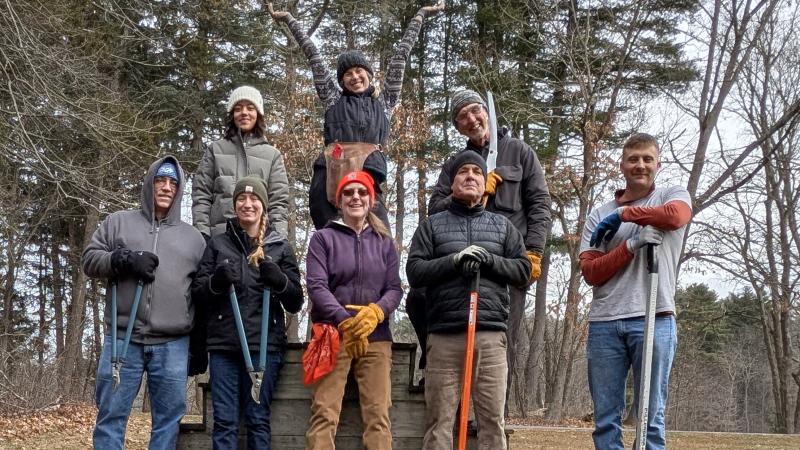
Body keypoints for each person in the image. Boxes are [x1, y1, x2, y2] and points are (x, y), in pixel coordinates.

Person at [423, 89, 551, 407]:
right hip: (459, 269)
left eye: (474, 111)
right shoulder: (456, 163)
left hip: (506, 268)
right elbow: (434, 207)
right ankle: (443, 386)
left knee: (500, 344)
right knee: (422, 303)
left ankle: (493, 420)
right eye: (462, 116)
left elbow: (540, 205)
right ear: (458, 126)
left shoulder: (520, 152)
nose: (471, 119)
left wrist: (532, 252)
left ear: (486, 112)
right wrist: (464, 193)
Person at [268, 1, 444, 231]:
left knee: (381, 239)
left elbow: (402, 53)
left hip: (370, 181)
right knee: (331, 239)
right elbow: (312, 54)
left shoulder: (384, 103)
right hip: (330, 183)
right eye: (348, 74)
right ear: (341, 81)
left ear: (369, 74)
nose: (355, 77)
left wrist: (421, 14)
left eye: (359, 71)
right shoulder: (333, 99)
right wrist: (289, 19)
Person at [406, 153, 530, 450]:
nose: (471, 176)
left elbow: (522, 270)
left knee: (492, 421)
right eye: (463, 172)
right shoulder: (432, 226)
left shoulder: (502, 227)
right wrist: (453, 261)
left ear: (484, 182)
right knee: (439, 420)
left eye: (477, 171)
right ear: (453, 182)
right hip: (444, 334)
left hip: (488, 334)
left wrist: (490, 261)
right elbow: (415, 272)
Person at [82, 156, 205, 450]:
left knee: (168, 419)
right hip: (123, 339)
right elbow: (90, 260)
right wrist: (123, 259)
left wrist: (200, 345)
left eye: (172, 183)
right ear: (149, 184)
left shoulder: (195, 239)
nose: (165, 188)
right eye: (160, 181)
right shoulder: (118, 223)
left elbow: (201, 294)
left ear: (179, 190)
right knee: (111, 415)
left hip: (174, 342)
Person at [579, 133, 692, 450]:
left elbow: (677, 216)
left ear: (658, 163)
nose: (640, 165)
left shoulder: (671, 195)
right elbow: (591, 272)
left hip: (654, 317)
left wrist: (626, 215)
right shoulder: (598, 214)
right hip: (605, 323)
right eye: (633, 159)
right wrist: (631, 245)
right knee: (605, 421)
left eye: (647, 159)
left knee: (650, 418)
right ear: (622, 165)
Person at [192, 176, 303, 449]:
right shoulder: (218, 245)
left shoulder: (279, 246)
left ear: (263, 205)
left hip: (264, 347)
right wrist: (216, 282)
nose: (247, 204)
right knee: (225, 422)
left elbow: (296, 301)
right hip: (225, 347)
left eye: (254, 199)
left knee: (257, 420)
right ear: (235, 204)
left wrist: (280, 281)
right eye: (241, 198)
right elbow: (198, 293)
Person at [304, 171, 403, 450]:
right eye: (349, 193)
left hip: (376, 336)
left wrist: (376, 313)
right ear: (339, 200)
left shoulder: (385, 242)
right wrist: (345, 321)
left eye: (362, 192)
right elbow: (317, 286)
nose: (355, 197)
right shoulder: (322, 239)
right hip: (332, 335)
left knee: (378, 416)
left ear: (372, 200)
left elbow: (395, 288)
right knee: (324, 412)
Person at [192, 85, 290, 240]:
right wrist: (202, 234)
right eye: (238, 109)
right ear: (232, 115)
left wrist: (277, 238)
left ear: (258, 114)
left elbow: (278, 202)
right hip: (220, 240)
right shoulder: (215, 150)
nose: (244, 113)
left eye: (250, 108)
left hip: (259, 243)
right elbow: (201, 196)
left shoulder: (273, 156)